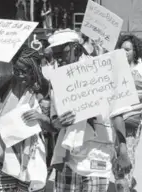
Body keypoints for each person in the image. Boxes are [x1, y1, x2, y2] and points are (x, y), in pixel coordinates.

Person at [46, 30, 132, 192]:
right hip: (68, 160)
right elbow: (54, 122)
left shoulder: (101, 69)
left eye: (62, 51)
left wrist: (123, 150)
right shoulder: (58, 79)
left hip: (97, 157)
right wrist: (59, 122)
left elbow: (117, 113)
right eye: (54, 53)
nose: (58, 57)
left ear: (75, 48)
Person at [0, 46, 52, 192]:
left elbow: (55, 126)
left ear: (34, 69)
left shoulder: (45, 89)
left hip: (33, 161)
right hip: (3, 159)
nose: (19, 75)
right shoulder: (4, 84)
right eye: (16, 70)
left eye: (24, 71)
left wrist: (41, 118)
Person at [112, 34, 142, 191]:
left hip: (131, 121)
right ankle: (120, 182)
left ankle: (126, 184)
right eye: (122, 49)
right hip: (113, 120)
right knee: (114, 154)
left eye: (128, 50)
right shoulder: (113, 68)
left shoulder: (140, 71)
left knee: (127, 153)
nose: (124, 52)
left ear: (135, 52)